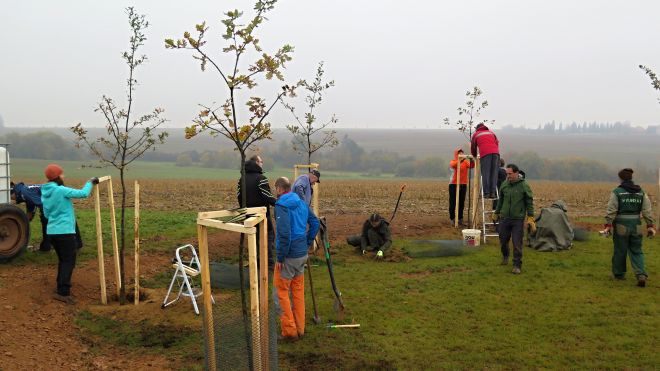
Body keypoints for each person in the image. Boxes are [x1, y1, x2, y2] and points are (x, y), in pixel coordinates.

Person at [40, 164, 98, 304]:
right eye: (62, 174)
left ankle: (60, 286)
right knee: (69, 261)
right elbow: (83, 194)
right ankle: (63, 292)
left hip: (52, 232)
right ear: (57, 177)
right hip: (65, 232)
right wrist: (90, 182)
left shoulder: (45, 193)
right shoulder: (60, 190)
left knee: (63, 260)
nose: (63, 176)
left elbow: (46, 214)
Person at [273, 176, 319, 341]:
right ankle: (300, 328)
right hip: (302, 255)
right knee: (298, 292)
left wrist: (280, 257)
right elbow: (315, 223)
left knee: (281, 292)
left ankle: (289, 332)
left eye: (275, 189)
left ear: (279, 189)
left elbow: (284, 233)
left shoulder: (281, 205)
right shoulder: (301, 202)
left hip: (289, 256)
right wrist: (306, 242)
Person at [602, 168, 655, 287]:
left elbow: (611, 210)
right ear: (631, 178)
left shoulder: (617, 192)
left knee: (620, 250)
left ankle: (619, 274)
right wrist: (650, 225)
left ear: (620, 178)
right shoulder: (641, 192)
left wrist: (608, 225)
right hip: (636, 224)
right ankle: (641, 274)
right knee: (637, 250)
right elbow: (647, 210)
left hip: (621, 224)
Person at [492, 164, 534, 274]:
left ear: (516, 173)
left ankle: (517, 265)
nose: (508, 176)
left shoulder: (524, 185)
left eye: (510, 174)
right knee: (503, 241)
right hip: (504, 218)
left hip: (518, 219)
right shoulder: (504, 185)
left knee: (517, 243)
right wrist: (496, 213)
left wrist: (530, 217)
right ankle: (505, 255)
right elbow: (500, 201)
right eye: (507, 174)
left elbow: (529, 202)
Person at [237, 155, 276, 269]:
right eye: (261, 161)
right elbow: (267, 196)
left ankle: (255, 262)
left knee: (253, 238)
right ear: (255, 163)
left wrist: (244, 212)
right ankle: (268, 263)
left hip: (248, 215)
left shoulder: (241, 179)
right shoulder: (261, 178)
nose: (262, 163)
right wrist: (280, 203)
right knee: (268, 237)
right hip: (262, 215)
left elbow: (239, 197)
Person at [11, 181, 50, 252]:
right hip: (49, 199)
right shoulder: (24, 191)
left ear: (13, 193)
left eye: (11, 197)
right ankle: (47, 246)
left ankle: (46, 247)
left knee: (45, 220)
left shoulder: (24, 193)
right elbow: (30, 213)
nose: (12, 199)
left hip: (53, 197)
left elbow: (43, 205)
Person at [470, 123, 500, 199]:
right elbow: (497, 143)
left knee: (485, 173)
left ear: (477, 128)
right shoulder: (491, 132)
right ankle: (493, 193)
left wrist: (474, 155)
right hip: (496, 153)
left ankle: (486, 193)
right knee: (494, 173)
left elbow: (473, 146)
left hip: (485, 154)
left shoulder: (476, 134)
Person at [448, 148, 475, 225]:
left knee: (461, 202)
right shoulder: (453, 162)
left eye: (463, 153)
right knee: (453, 202)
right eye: (460, 154)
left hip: (463, 184)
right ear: (457, 155)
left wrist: (471, 160)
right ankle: (452, 218)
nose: (462, 155)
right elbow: (454, 165)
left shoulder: (465, 162)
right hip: (453, 184)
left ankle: (460, 218)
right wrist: (461, 160)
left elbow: (472, 166)